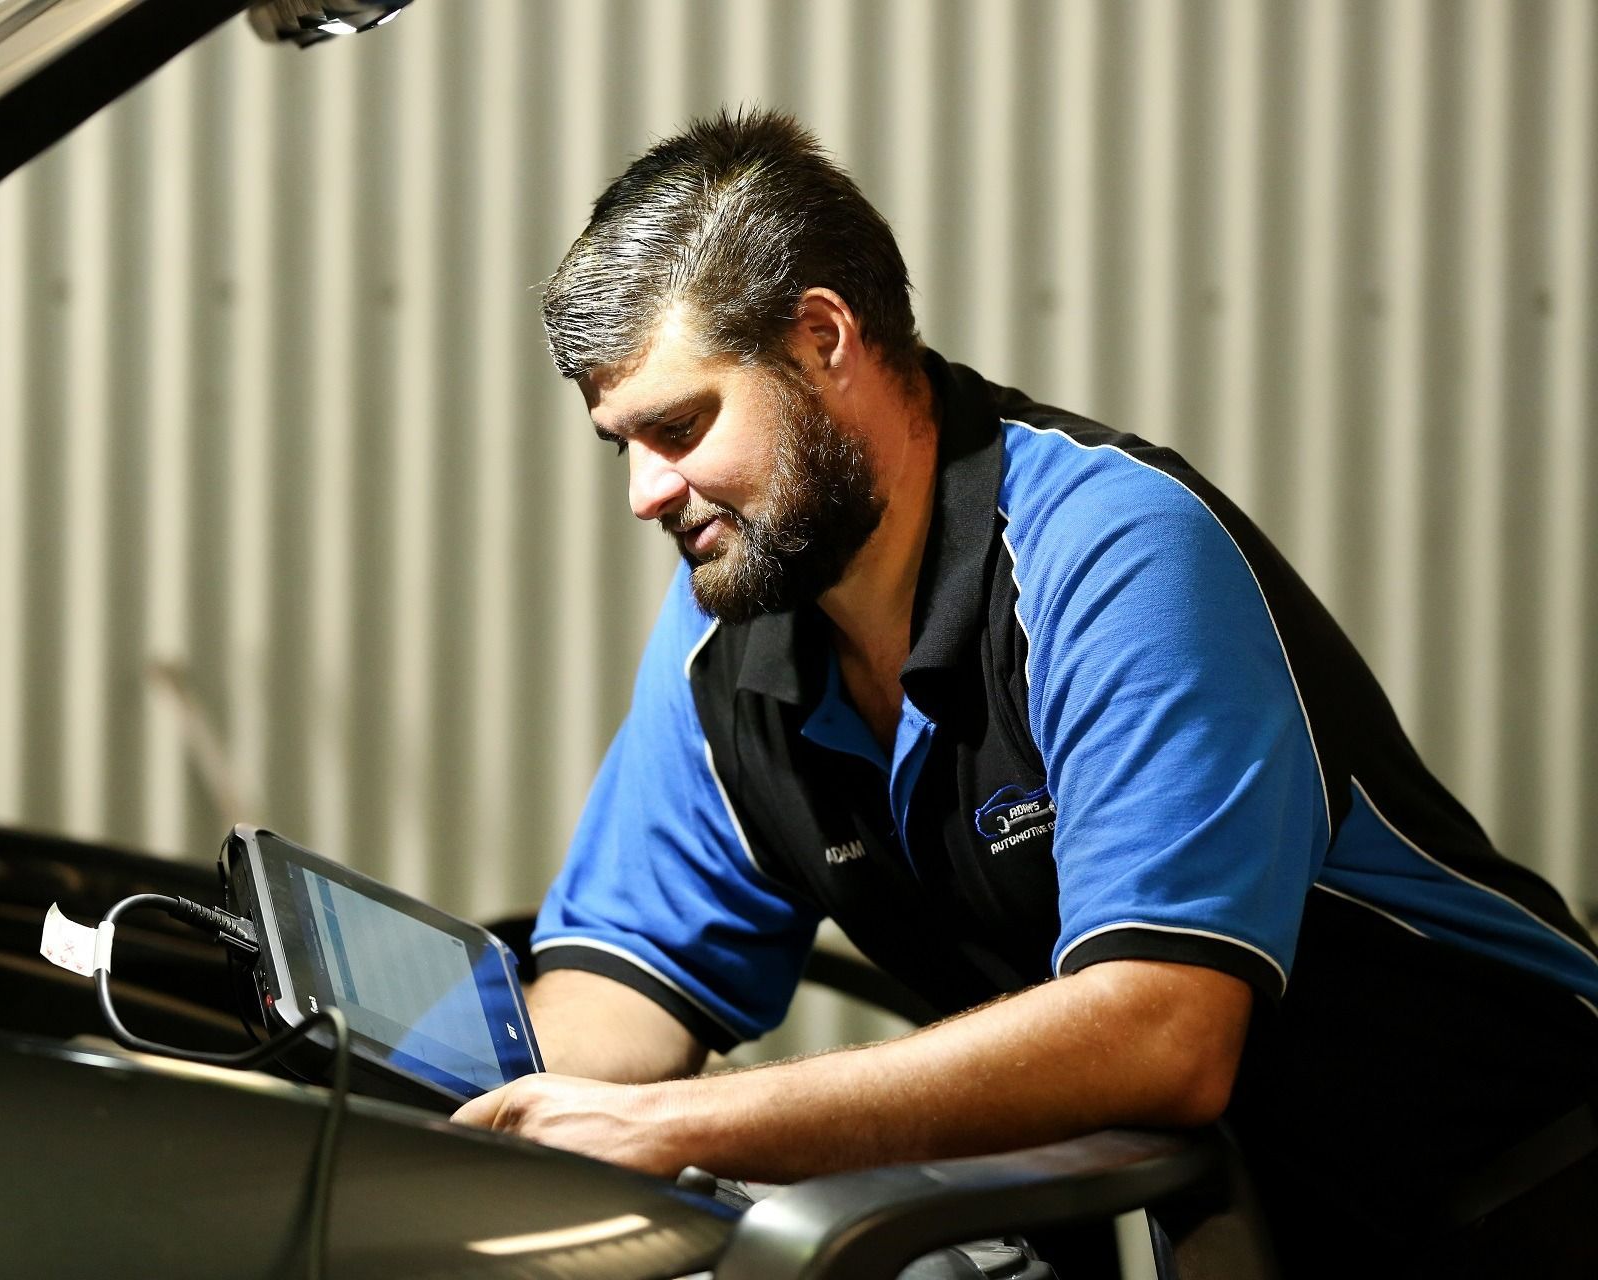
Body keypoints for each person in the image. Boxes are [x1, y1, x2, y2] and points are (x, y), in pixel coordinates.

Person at [450, 108, 1598, 1273]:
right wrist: (364, 1061)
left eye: (681, 425)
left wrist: (675, 1123)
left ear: (823, 340)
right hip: (1252, 1214)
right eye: (620, 445)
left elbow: (1161, 1031)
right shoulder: (730, 627)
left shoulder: (1114, 553)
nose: (647, 492)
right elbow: (617, 1002)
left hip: (1525, 1187)